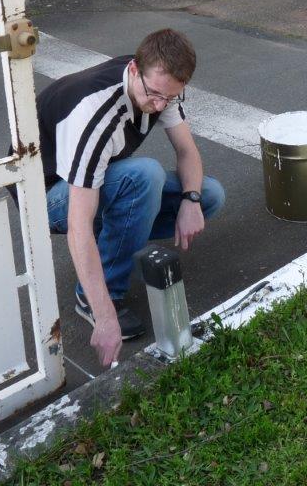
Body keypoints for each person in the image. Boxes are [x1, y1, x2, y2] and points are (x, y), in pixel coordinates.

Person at [35, 28, 225, 368]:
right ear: (135, 70)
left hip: (95, 179)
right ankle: (96, 295)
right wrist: (105, 315)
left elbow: (187, 152)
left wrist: (191, 201)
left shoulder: (160, 86)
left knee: (209, 194)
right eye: (154, 95)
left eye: (170, 98)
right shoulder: (94, 116)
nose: (159, 105)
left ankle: (116, 235)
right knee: (143, 176)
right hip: (48, 196)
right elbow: (78, 226)